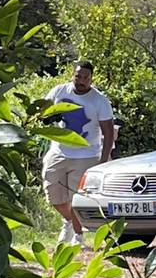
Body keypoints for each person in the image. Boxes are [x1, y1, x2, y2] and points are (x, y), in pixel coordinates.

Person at [42, 60, 115, 246]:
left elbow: (108, 132)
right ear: (72, 75)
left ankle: (78, 236)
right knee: (53, 195)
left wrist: (104, 160)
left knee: (76, 198)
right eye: (78, 76)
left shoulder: (99, 100)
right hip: (58, 150)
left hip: (86, 154)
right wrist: (49, 116)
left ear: (91, 79)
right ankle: (67, 220)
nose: (80, 80)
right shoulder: (59, 91)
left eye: (85, 77)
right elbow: (42, 112)